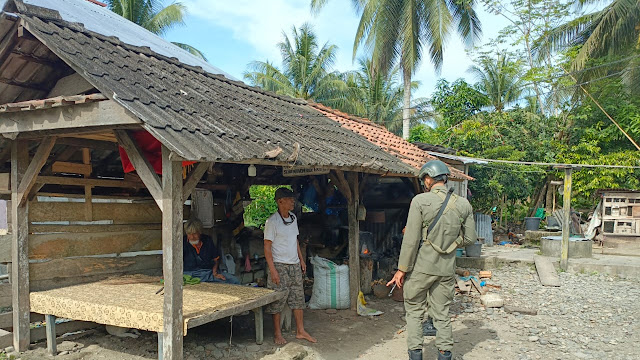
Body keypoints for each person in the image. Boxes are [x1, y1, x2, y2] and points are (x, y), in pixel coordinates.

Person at [387, 160, 477, 360]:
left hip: (421, 268)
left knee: (414, 312)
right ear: (445, 178)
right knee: (442, 313)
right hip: (446, 269)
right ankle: (445, 354)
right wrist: (453, 243)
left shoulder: (420, 201)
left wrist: (402, 269)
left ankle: (416, 355)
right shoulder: (463, 203)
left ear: (428, 178)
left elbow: (411, 240)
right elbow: (470, 238)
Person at [264, 188, 316, 345]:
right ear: (280, 202)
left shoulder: (293, 218)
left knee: (298, 298)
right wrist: (272, 270)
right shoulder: (272, 222)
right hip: (279, 265)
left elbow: (295, 242)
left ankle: (300, 331)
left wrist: (301, 260)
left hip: (294, 264)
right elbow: (267, 248)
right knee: (278, 300)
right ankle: (277, 333)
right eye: (289, 199)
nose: (293, 201)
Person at [183, 218, 240, 284]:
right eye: (189, 234)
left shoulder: (207, 240)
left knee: (234, 280)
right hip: (190, 274)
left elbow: (216, 259)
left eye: (194, 234)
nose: (192, 237)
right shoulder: (183, 242)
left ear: (200, 232)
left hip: (208, 273)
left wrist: (215, 272)